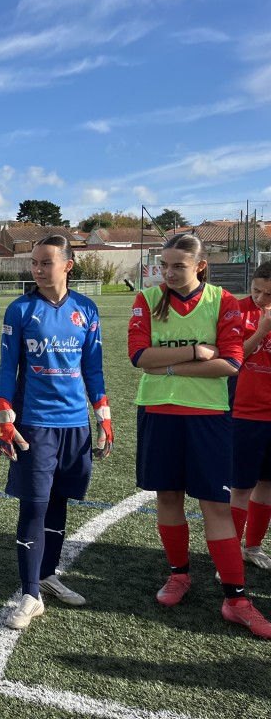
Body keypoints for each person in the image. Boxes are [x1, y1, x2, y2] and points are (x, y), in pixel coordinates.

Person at [129, 234, 271, 638]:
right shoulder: (147, 299)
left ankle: (236, 600)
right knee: (168, 498)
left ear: (200, 265)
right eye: (164, 265)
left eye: (179, 265)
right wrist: (194, 351)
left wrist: (167, 366)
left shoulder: (221, 300)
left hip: (209, 415)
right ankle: (179, 575)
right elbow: (139, 357)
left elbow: (231, 362)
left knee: (217, 506)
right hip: (157, 410)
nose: (169, 273)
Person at [0, 235, 112, 631]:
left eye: (46, 262)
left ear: (68, 265)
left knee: (59, 502)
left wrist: (103, 417)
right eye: (34, 263)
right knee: (34, 505)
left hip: (75, 425)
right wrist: (5, 419)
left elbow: (92, 368)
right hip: (35, 425)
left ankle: (47, 576)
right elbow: (7, 368)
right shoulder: (21, 309)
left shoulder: (86, 309)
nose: (38, 270)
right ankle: (30, 594)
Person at [228, 261, 271, 571]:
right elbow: (234, 358)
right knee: (241, 487)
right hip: (245, 413)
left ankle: (252, 547)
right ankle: (229, 555)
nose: (260, 298)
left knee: (267, 485)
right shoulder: (237, 311)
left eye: (268, 294)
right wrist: (262, 330)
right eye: (256, 290)